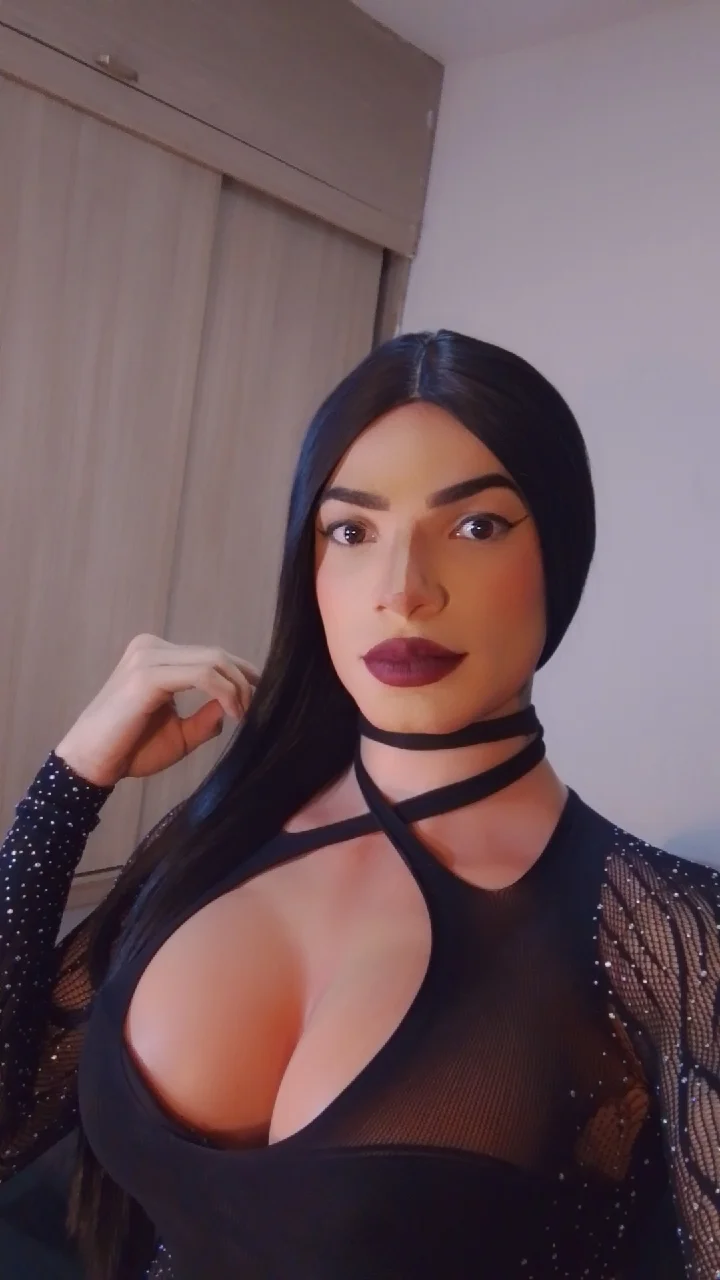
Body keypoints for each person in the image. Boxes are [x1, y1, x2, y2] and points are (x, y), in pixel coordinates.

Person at [0, 330, 716, 1280]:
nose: (403, 590)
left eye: (476, 526)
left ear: (562, 555)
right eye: (352, 531)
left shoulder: (668, 940)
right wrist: (67, 786)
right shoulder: (224, 832)